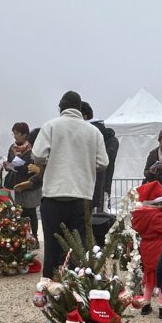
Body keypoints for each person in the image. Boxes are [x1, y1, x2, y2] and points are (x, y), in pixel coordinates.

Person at [32, 91, 108, 275]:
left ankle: (49, 285)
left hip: (54, 195)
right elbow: (103, 162)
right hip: (81, 196)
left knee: (52, 244)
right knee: (78, 245)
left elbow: (38, 155)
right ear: (80, 108)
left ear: (61, 108)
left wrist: (52, 160)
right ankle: (76, 286)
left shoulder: (50, 126)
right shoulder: (93, 131)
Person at [131, 180, 162, 318]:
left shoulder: (142, 215)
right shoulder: (156, 216)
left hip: (146, 247)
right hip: (158, 249)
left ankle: (146, 305)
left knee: (149, 277)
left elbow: (161, 226)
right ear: (158, 203)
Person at [2, 122, 42, 244]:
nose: (15, 136)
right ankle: (21, 236)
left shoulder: (33, 148)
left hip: (30, 185)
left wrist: (17, 163)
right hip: (14, 183)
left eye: (18, 134)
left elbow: (28, 166)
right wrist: (9, 165)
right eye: (14, 133)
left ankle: (34, 237)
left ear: (25, 134)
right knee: (17, 211)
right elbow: (12, 162)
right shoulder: (12, 148)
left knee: (30, 212)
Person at [81, 101, 119, 211]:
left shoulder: (94, 133)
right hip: (98, 185)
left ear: (84, 116)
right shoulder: (108, 137)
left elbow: (105, 159)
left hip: (93, 185)